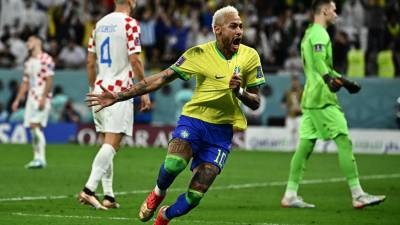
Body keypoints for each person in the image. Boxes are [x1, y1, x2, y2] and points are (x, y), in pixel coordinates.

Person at [86, 5, 265, 224]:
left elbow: (256, 102)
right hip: (194, 121)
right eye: (233, 26)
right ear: (217, 30)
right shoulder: (199, 54)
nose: (239, 31)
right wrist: (120, 96)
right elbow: (161, 78)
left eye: (241, 26)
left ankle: (165, 215)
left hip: (222, 132)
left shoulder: (250, 56)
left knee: (195, 195)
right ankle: (158, 192)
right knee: (173, 164)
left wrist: (239, 91)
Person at [280, 0, 386, 209]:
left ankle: (290, 194)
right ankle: (357, 194)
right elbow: (321, 63)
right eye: (334, 10)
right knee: (343, 141)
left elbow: (320, 65)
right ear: (324, 10)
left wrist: (345, 82)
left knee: (304, 147)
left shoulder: (309, 33)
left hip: (310, 98)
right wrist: (330, 80)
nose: (336, 13)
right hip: (322, 98)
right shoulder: (320, 33)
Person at [78, 0, 151, 210]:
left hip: (100, 89)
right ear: (130, 2)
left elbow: (90, 62)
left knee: (106, 144)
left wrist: (94, 87)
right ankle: (89, 190)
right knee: (112, 143)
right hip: (118, 93)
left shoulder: (98, 24)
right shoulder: (129, 23)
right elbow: (135, 60)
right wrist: (144, 89)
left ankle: (108, 196)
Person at [11, 35, 55, 169]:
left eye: (30, 40)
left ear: (38, 42)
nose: (27, 43)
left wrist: (43, 97)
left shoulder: (46, 59)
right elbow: (25, 83)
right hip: (31, 97)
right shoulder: (28, 62)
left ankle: (41, 159)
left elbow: (49, 80)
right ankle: (37, 158)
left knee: (34, 125)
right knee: (33, 129)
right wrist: (17, 100)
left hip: (42, 96)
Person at [281, 75, 303, 148]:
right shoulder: (288, 92)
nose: (295, 83)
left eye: (296, 81)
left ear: (298, 82)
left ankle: (297, 149)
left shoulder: (303, 91)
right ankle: (289, 149)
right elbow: (282, 104)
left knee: (299, 133)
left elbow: (307, 103)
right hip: (290, 116)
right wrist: (288, 107)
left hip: (300, 116)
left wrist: (300, 108)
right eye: (293, 81)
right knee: (289, 132)